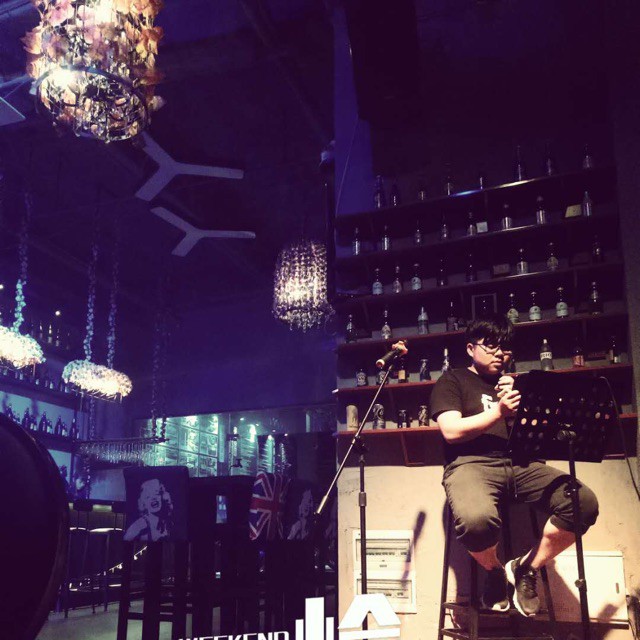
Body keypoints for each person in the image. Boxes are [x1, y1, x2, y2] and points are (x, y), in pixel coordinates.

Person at [430, 315, 599, 616]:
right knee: (476, 521)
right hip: (471, 464)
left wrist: (529, 397)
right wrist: (499, 411)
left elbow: (547, 430)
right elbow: (451, 431)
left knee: (583, 502)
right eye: (491, 346)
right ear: (470, 348)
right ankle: (495, 571)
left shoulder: (515, 384)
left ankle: (525, 568)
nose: (500, 353)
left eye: (505, 348)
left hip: (522, 464)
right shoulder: (453, 380)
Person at [123, 478, 174, 542]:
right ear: (143, 503)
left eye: (156, 494)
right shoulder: (140, 524)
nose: (153, 498)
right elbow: (125, 541)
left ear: (162, 496)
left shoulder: (167, 523)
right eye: (148, 496)